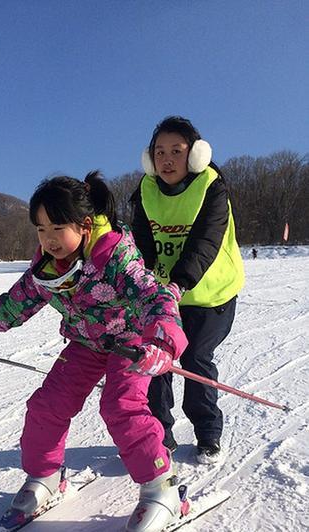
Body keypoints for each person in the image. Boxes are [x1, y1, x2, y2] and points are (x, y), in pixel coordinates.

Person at [0, 172, 188, 532]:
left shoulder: (116, 258)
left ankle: (162, 488)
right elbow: (12, 306)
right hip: (86, 343)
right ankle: (45, 476)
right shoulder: (45, 270)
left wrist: (162, 343)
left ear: (85, 225)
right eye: (40, 229)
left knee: (121, 406)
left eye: (57, 228)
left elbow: (157, 297)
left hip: (132, 343)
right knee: (47, 405)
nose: (49, 239)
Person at [130, 116, 244, 464]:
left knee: (194, 358)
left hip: (211, 295)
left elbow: (204, 242)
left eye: (176, 152)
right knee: (157, 361)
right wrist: (135, 285)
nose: (167, 159)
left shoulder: (211, 186)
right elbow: (142, 246)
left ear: (195, 155)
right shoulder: (146, 191)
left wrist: (178, 283)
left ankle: (208, 432)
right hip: (165, 297)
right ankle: (159, 433)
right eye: (160, 152)